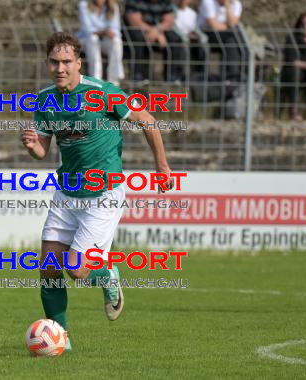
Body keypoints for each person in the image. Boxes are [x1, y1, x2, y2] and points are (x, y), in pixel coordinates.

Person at [21, 32, 175, 351]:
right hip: (67, 193)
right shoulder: (45, 99)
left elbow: (148, 121)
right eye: (54, 61)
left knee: (77, 269)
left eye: (66, 62)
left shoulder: (103, 93)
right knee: (49, 268)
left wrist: (161, 167)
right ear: (47, 63)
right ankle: (60, 337)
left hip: (103, 194)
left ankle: (106, 275)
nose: (60, 68)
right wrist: (33, 145)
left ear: (79, 63)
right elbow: (43, 150)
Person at [124, 0, 187, 83]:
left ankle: (172, 77)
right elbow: (134, 22)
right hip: (138, 32)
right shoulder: (134, 1)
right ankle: (137, 75)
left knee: (174, 38)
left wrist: (157, 30)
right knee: (137, 36)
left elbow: (168, 21)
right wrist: (153, 32)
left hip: (159, 32)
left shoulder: (166, 2)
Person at [77, 0, 125, 85]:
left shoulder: (113, 6)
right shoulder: (84, 5)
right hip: (86, 41)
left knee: (116, 41)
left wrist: (109, 33)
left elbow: (116, 29)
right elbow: (87, 30)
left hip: (104, 40)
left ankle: (114, 80)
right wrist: (104, 32)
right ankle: (96, 78)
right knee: (93, 39)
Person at [197, 0, 246, 82]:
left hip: (227, 36)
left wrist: (228, 8)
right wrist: (229, 28)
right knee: (234, 36)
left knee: (231, 41)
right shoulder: (207, 2)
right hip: (206, 33)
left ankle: (231, 77)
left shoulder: (236, 4)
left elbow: (232, 24)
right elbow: (213, 25)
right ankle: (233, 76)